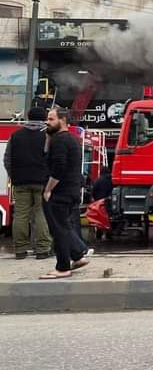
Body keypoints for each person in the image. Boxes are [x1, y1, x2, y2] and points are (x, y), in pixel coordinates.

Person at [40, 108, 90, 279]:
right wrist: (48, 138)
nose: (47, 122)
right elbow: (50, 157)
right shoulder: (71, 139)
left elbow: (59, 167)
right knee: (65, 226)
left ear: (62, 120)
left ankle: (62, 267)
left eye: (51, 119)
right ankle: (77, 256)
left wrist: (48, 189)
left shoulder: (60, 141)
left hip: (60, 192)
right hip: (72, 190)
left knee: (59, 230)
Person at [3, 107, 53, 259]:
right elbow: (52, 159)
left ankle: (20, 249)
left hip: (20, 181)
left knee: (21, 214)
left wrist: (14, 176)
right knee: (40, 212)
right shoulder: (48, 136)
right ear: (44, 118)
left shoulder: (16, 135)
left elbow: (7, 159)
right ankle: (43, 249)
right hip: (42, 181)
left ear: (28, 118)